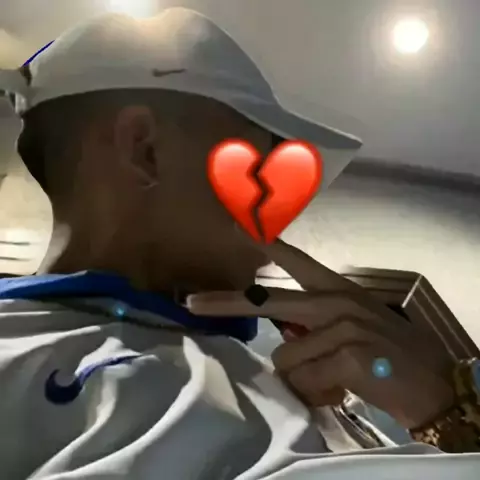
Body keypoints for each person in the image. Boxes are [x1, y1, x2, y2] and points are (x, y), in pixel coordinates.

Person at [0, 8, 479, 480]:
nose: (276, 226)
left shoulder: (306, 385)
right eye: (261, 176)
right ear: (144, 149)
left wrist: (449, 415)